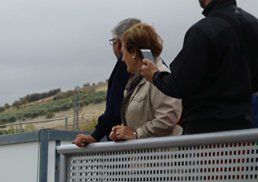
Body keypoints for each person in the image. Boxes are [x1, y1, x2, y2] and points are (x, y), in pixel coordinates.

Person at [141, 0, 258, 134]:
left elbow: (178, 84)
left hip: (205, 132)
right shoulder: (253, 24)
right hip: (244, 130)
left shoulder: (202, 31)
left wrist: (155, 75)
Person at [73, 18, 142, 147]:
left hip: (128, 147)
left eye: (114, 42)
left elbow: (115, 106)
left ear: (121, 43)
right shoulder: (155, 65)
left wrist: (95, 135)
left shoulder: (125, 66)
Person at [109, 23, 183, 142]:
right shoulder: (138, 80)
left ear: (133, 52)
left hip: (160, 157)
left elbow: (167, 119)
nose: (122, 59)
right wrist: (122, 131)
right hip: (145, 157)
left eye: (124, 53)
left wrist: (135, 133)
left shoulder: (159, 76)